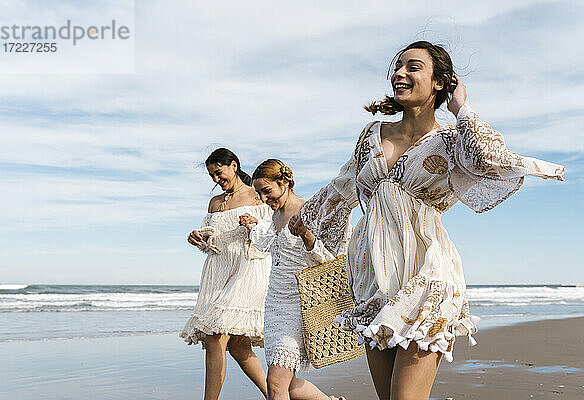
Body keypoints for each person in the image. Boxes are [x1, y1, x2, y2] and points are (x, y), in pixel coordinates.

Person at [290, 41, 565, 400]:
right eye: (398, 66)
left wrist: (461, 107)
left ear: (440, 82)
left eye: (413, 67)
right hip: (373, 279)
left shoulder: (451, 142)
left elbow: (489, 157)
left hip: (427, 275)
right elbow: (343, 185)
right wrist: (307, 217)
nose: (400, 74)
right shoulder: (372, 133)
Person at [239, 159, 345, 400]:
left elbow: (331, 262)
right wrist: (252, 226)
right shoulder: (274, 217)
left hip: (300, 305)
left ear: (284, 182)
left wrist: (307, 235)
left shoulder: (311, 211)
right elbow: (270, 243)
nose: (264, 199)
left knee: (275, 384)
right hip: (274, 304)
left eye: (267, 191)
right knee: (287, 384)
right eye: (259, 194)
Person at [181, 148, 272, 400]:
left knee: (214, 336)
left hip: (248, 269)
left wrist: (256, 224)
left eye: (218, 172)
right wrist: (198, 239)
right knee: (238, 346)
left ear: (233, 166)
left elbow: (274, 231)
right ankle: (275, 396)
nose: (216, 179)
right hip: (218, 272)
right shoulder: (214, 203)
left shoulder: (258, 195)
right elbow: (212, 242)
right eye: (211, 175)